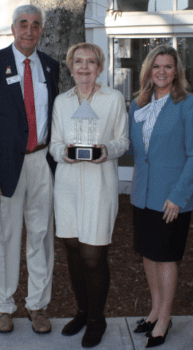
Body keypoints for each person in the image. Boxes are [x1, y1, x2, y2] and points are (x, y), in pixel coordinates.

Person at [0, 4, 60, 334]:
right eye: (23, 24)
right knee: (3, 239)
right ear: (13, 29)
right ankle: (3, 306)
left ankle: (37, 306)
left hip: (41, 162)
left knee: (41, 237)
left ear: (41, 31)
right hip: (3, 167)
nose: (29, 30)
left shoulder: (51, 67)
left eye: (36, 25)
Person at [49, 43, 129, 347]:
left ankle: (97, 320)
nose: (84, 67)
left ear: (100, 67)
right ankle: (82, 312)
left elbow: (123, 141)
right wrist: (65, 153)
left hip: (99, 184)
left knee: (93, 255)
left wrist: (106, 150)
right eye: (78, 62)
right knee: (71, 248)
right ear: (71, 67)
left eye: (91, 62)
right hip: (67, 183)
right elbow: (54, 143)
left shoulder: (113, 99)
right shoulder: (62, 102)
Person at [128, 45, 193, 348]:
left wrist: (178, 195)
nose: (161, 72)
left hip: (172, 197)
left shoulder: (189, 104)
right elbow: (137, 152)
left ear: (177, 71)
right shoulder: (138, 104)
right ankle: (155, 309)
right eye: (156, 66)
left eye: (168, 66)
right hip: (143, 194)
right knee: (148, 255)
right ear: (148, 70)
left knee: (166, 256)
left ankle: (165, 318)